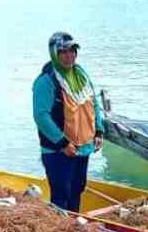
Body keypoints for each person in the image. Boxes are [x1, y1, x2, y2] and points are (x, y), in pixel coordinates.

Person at [33, 31, 104, 212]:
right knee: (61, 194)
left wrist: (99, 131)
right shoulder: (46, 81)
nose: (69, 55)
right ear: (54, 54)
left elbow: (93, 103)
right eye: (63, 52)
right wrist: (63, 143)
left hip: (82, 147)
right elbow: (41, 116)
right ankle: (60, 227)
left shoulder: (80, 74)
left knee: (77, 189)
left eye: (72, 50)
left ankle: (73, 224)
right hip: (58, 151)